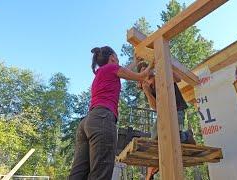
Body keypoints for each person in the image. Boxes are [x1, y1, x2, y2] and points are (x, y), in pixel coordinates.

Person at [69, 46, 152, 180]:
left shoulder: (101, 72)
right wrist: (154, 61)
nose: (118, 60)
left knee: (78, 173)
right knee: (100, 173)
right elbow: (140, 76)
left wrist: (134, 63)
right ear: (112, 58)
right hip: (102, 119)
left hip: (87, 122)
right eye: (117, 57)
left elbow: (123, 71)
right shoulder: (112, 69)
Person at [136, 61, 196, 180]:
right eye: (144, 70)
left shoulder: (161, 74)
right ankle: (152, 170)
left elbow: (178, 79)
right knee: (156, 137)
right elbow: (156, 107)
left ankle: (185, 135)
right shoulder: (149, 87)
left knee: (171, 135)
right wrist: (147, 91)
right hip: (163, 113)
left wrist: (163, 64)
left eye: (148, 68)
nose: (148, 71)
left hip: (177, 109)